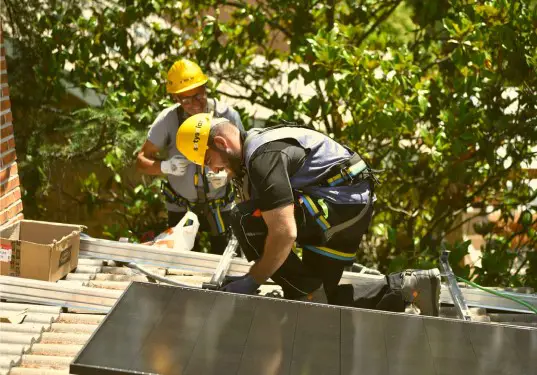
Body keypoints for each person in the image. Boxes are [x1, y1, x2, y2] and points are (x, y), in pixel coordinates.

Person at [176, 113, 442, 316]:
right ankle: (409, 286)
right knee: (318, 300)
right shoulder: (257, 148)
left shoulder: (263, 157)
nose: (214, 169)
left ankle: (303, 292)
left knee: (244, 219)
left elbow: (284, 232)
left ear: (222, 143)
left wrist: (253, 279)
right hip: (349, 206)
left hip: (339, 204)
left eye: (209, 159)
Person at [136, 59, 244, 255]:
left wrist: (227, 175)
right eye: (186, 100)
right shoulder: (168, 120)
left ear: (205, 88)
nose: (194, 104)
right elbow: (142, 160)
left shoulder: (227, 116)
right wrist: (165, 167)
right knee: (177, 260)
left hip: (220, 206)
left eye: (198, 96)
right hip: (180, 206)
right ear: (176, 98)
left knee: (225, 259)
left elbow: (243, 160)